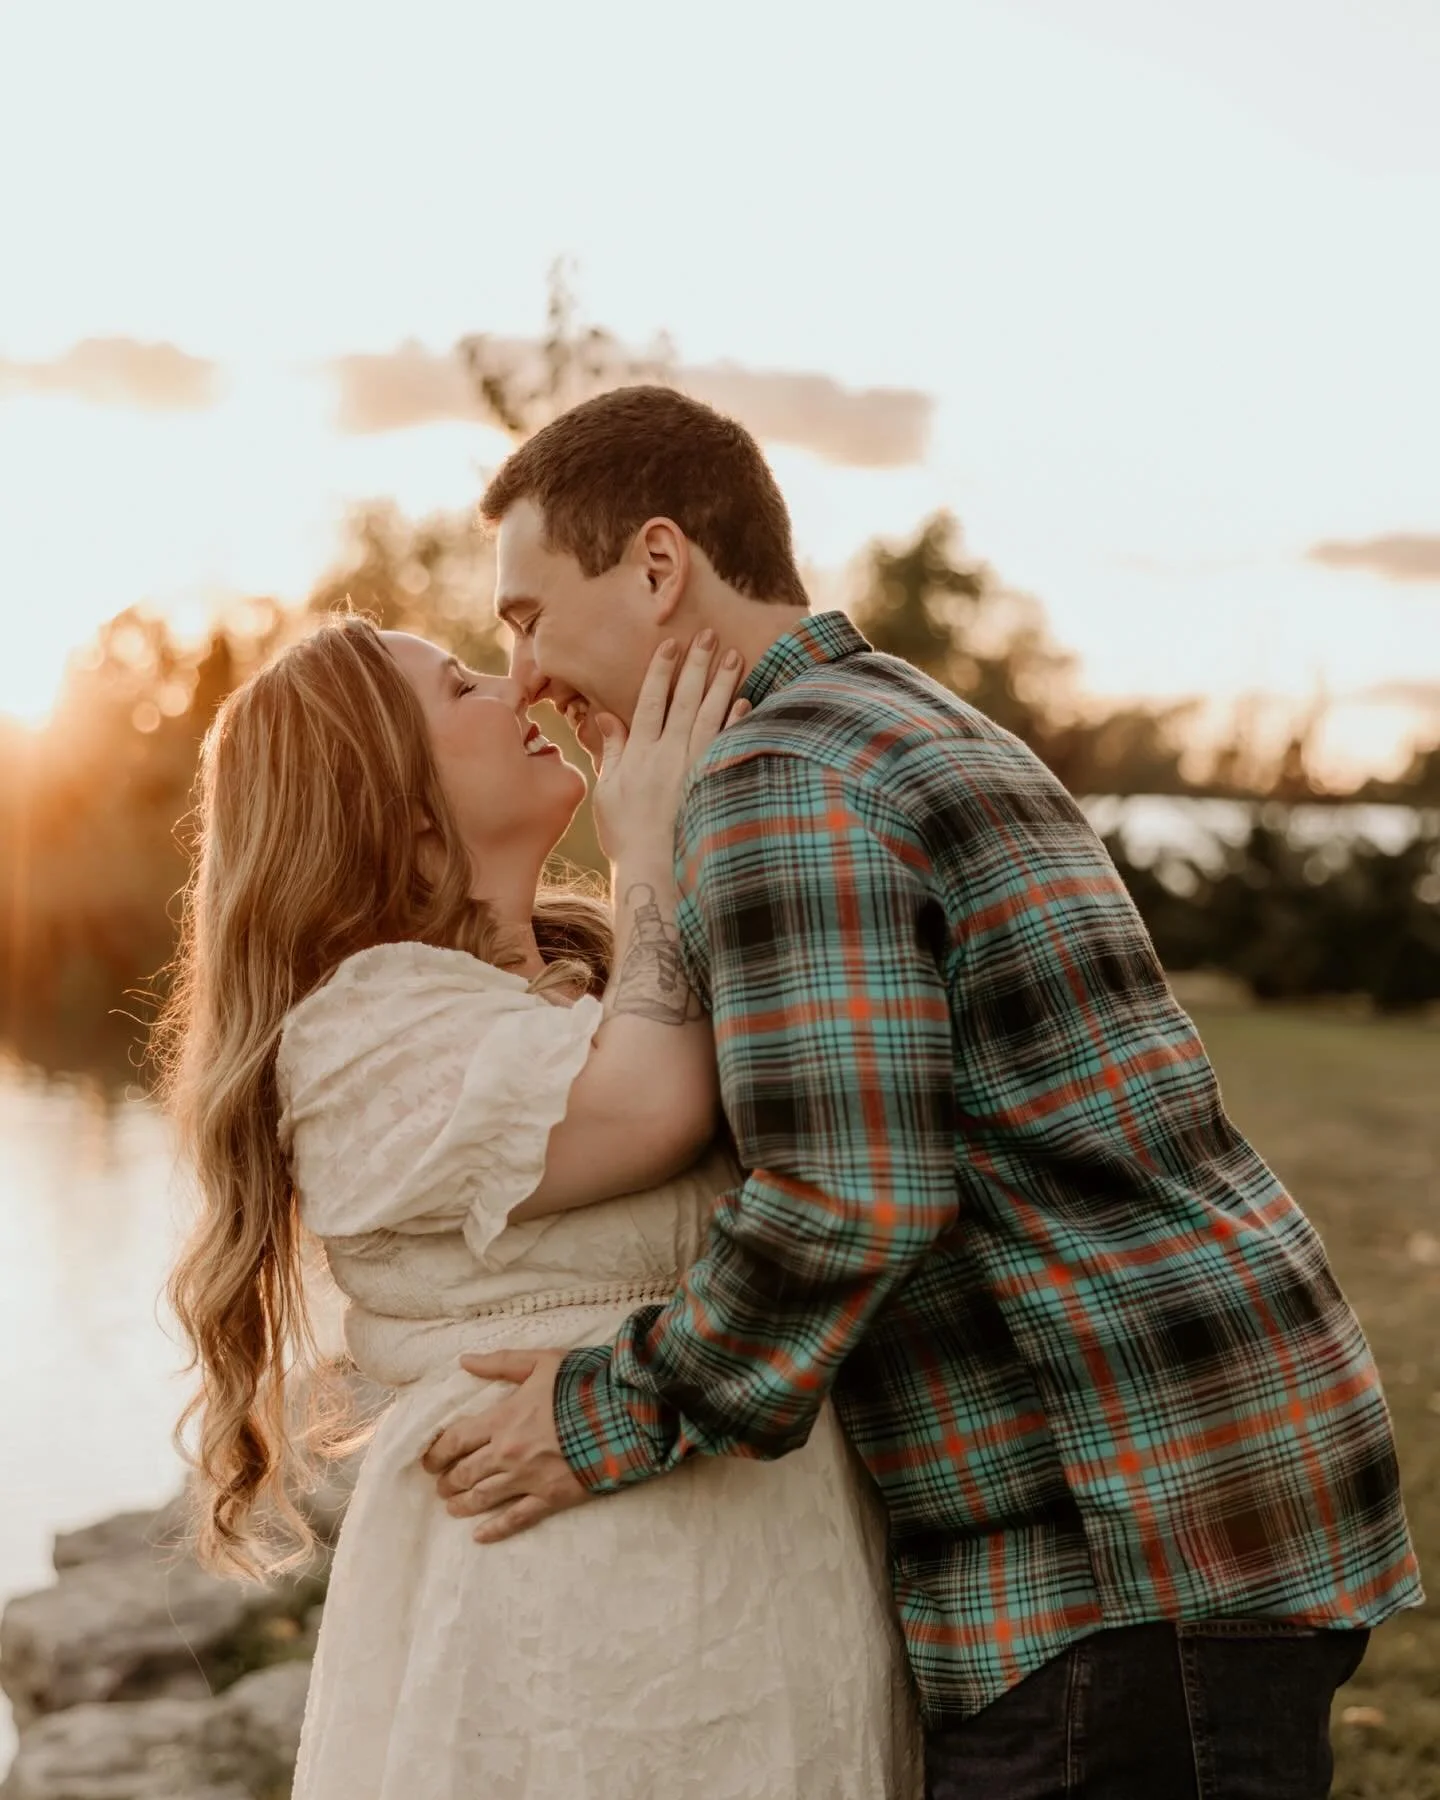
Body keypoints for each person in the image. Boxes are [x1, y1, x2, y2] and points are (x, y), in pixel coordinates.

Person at [421, 384, 1424, 1800]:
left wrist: (603, 1411)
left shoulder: (780, 778)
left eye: (527, 615)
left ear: (658, 567)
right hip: (1201, 1489)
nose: (520, 672)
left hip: (1113, 1543)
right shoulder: (887, 717)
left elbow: (848, 1195)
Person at [158, 617, 923, 1800]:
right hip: (556, 1611)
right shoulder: (361, 1030)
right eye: (460, 685)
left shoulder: (603, 984)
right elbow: (646, 1111)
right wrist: (656, 842)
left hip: (766, 1560)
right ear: (396, 801)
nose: (513, 683)